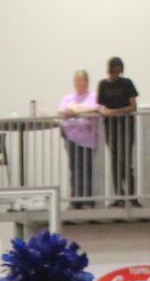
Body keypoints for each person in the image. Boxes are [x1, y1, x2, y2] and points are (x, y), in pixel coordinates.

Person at [97, 58, 139, 205]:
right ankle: (119, 196)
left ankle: (132, 196)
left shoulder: (127, 83)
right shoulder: (103, 84)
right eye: (113, 70)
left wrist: (116, 111)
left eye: (118, 70)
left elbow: (133, 106)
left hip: (126, 125)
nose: (115, 73)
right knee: (115, 160)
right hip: (111, 126)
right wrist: (107, 111)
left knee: (126, 160)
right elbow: (99, 106)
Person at [58, 70, 100, 203]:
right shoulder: (68, 98)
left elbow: (96, 109)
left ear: (87, 82)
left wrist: (76, 111)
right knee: (74, 169)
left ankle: (87, 199)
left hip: (87, 139)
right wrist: (79, 111)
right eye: (76, 80)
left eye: (81, 80)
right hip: (72, 137)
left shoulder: (93, 96)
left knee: (86, 168)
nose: (78, 83)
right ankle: (75, 200)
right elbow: (62, 112)